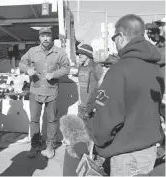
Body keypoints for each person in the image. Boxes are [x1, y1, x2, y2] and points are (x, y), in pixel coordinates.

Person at [87, 14, 165, 176]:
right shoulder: (155, 68)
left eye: (114, 38)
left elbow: (107, 116)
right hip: (149, 150)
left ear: (121, 37)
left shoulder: (120, 70)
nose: (114, 43)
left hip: (127, 155)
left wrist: (98, 141)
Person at [19, 27, 70, 159]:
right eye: (43, 36)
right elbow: (21, 63)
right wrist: (27, 69)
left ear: (51, 37)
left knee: (52, 120)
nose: (45, 38)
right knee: (34, 120)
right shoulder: (32, 51)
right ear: (39, 38)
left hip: (51, 91)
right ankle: (35, 145)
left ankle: (50, 146)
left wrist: (54, 74)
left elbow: (67, 68)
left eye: (48, 35)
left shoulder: (59, 52)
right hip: (35, 91)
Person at [76, 44, 103, 120]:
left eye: (82, 53)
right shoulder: (80, 67)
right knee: (81, 130)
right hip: (81, 106)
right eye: (79, 53)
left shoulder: (96, 67)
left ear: (88, 54)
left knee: (91, 131)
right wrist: (79, 101)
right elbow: (79, 85)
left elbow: (103, 85)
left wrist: (97, 104)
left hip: (92, 107)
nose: (79, 55)